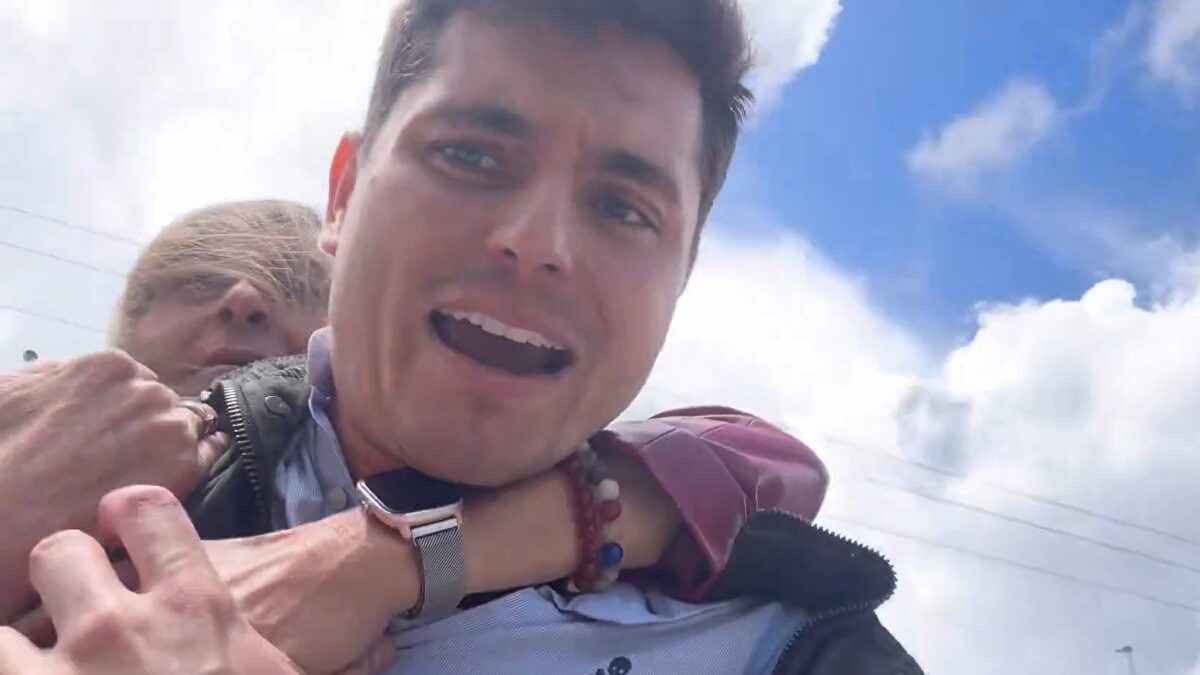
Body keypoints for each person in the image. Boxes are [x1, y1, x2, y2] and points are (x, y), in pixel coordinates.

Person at [179, 0, 918, 672]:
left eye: (623, 208)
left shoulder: (787, 651)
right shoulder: (132, 478)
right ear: (342, 196)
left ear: (680, 279)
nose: (537, 242)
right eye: (470, 155)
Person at [2, 199, 832, 670]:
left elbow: (758, 460)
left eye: (293, 287)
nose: (243, 300)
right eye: (187, 284)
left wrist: (374, 560)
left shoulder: (457, 461)